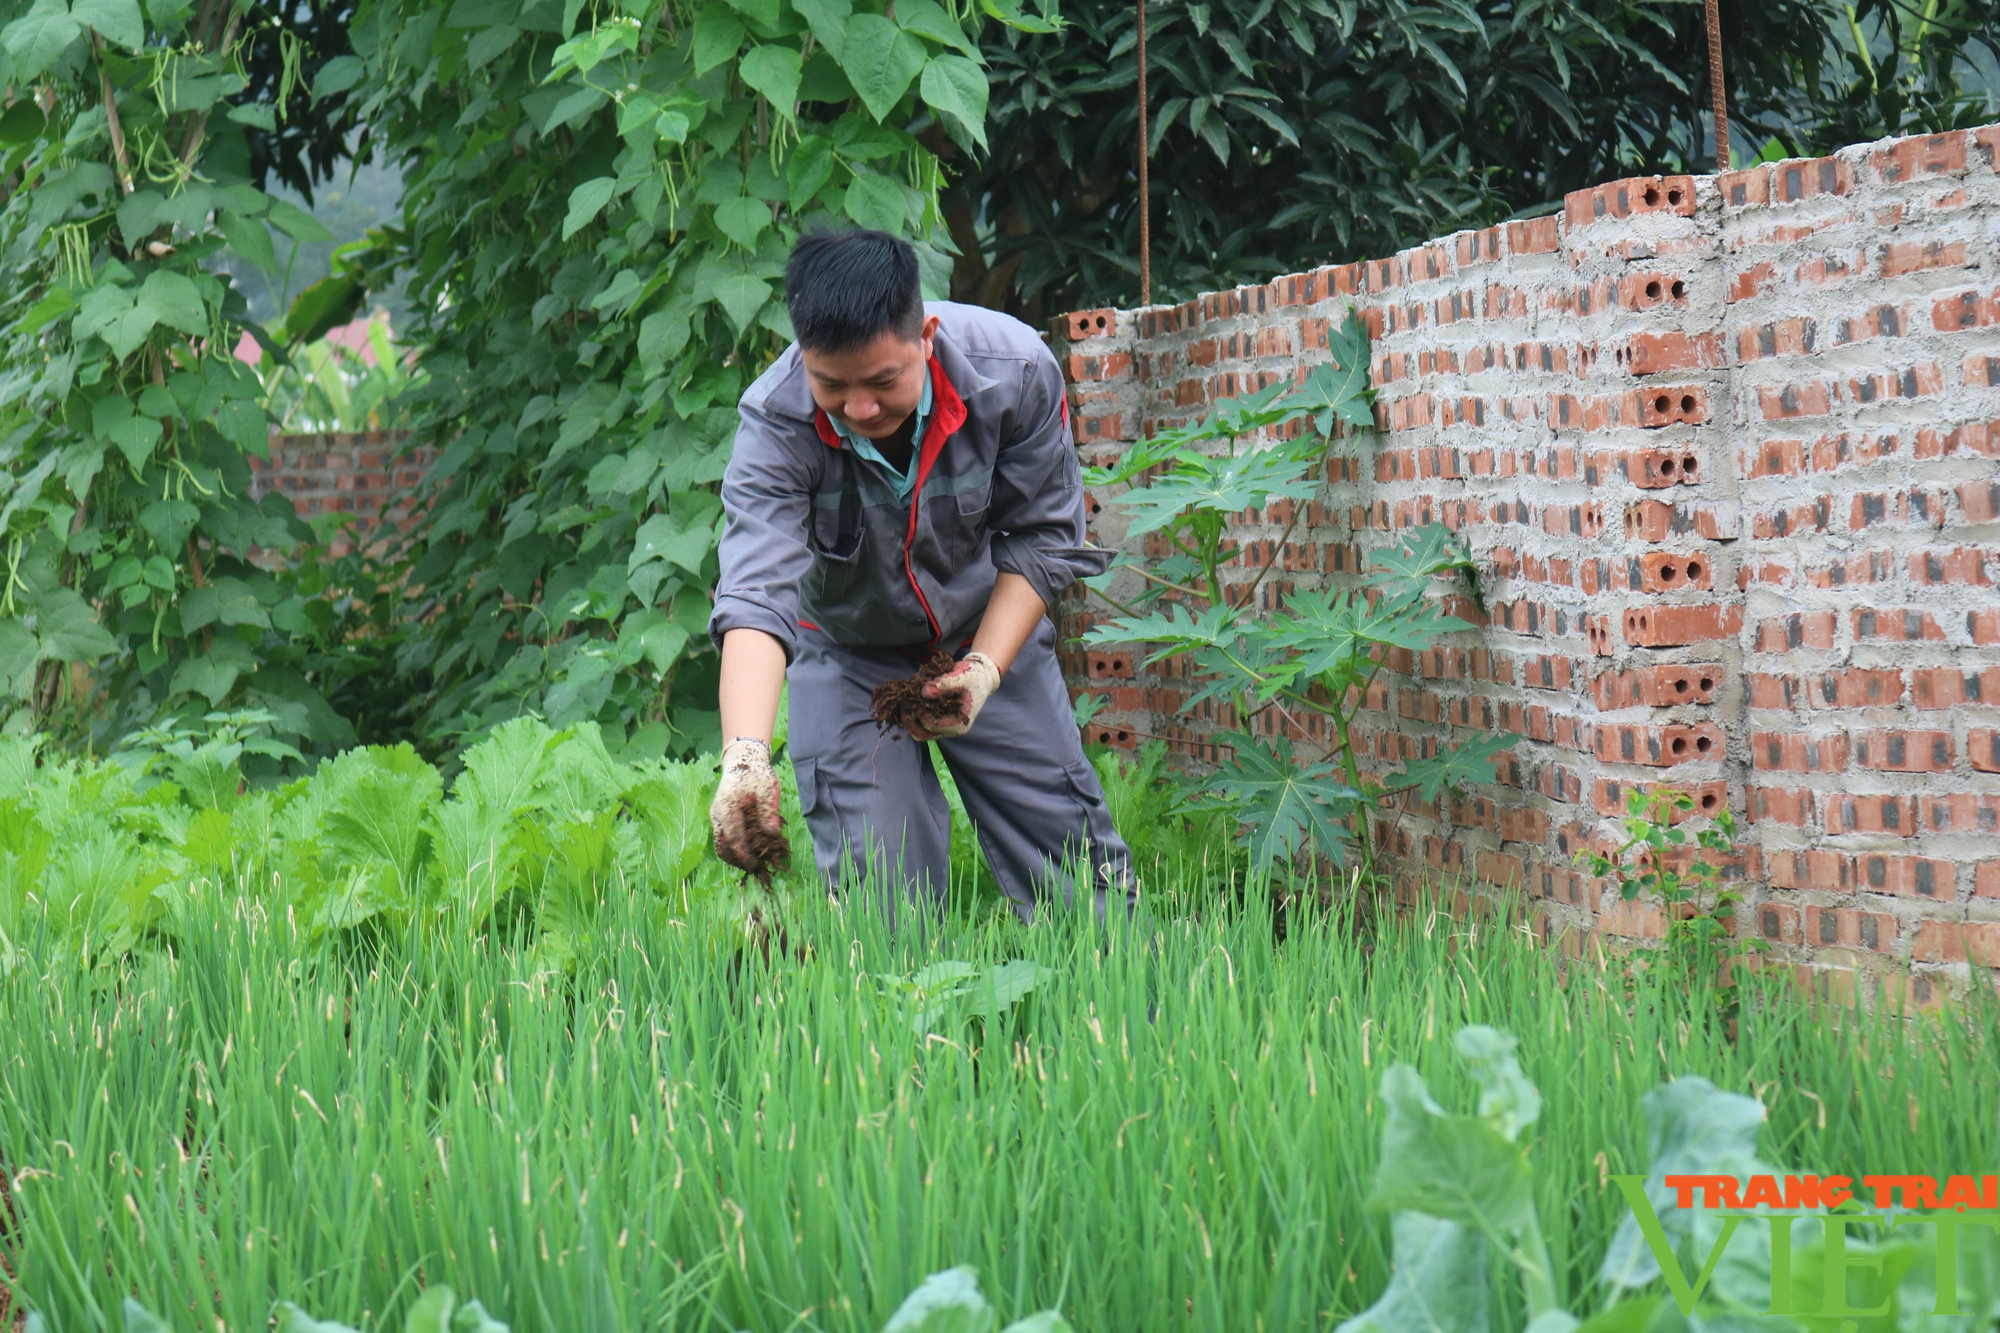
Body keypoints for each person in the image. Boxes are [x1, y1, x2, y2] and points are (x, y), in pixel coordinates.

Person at [705, 227, 1134, 924]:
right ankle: (903, 1031)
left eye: (882, 381)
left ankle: (1124, 1021)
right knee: (882, 895)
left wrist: (985, 670)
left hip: (985, 626)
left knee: (1077, 875)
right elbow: (756, 592)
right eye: (831, 384)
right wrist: (746, 755)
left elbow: (1042, 537)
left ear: (926, 334)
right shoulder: (776, 422)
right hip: (846, 653)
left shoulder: (1014, 372)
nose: (860, 408)